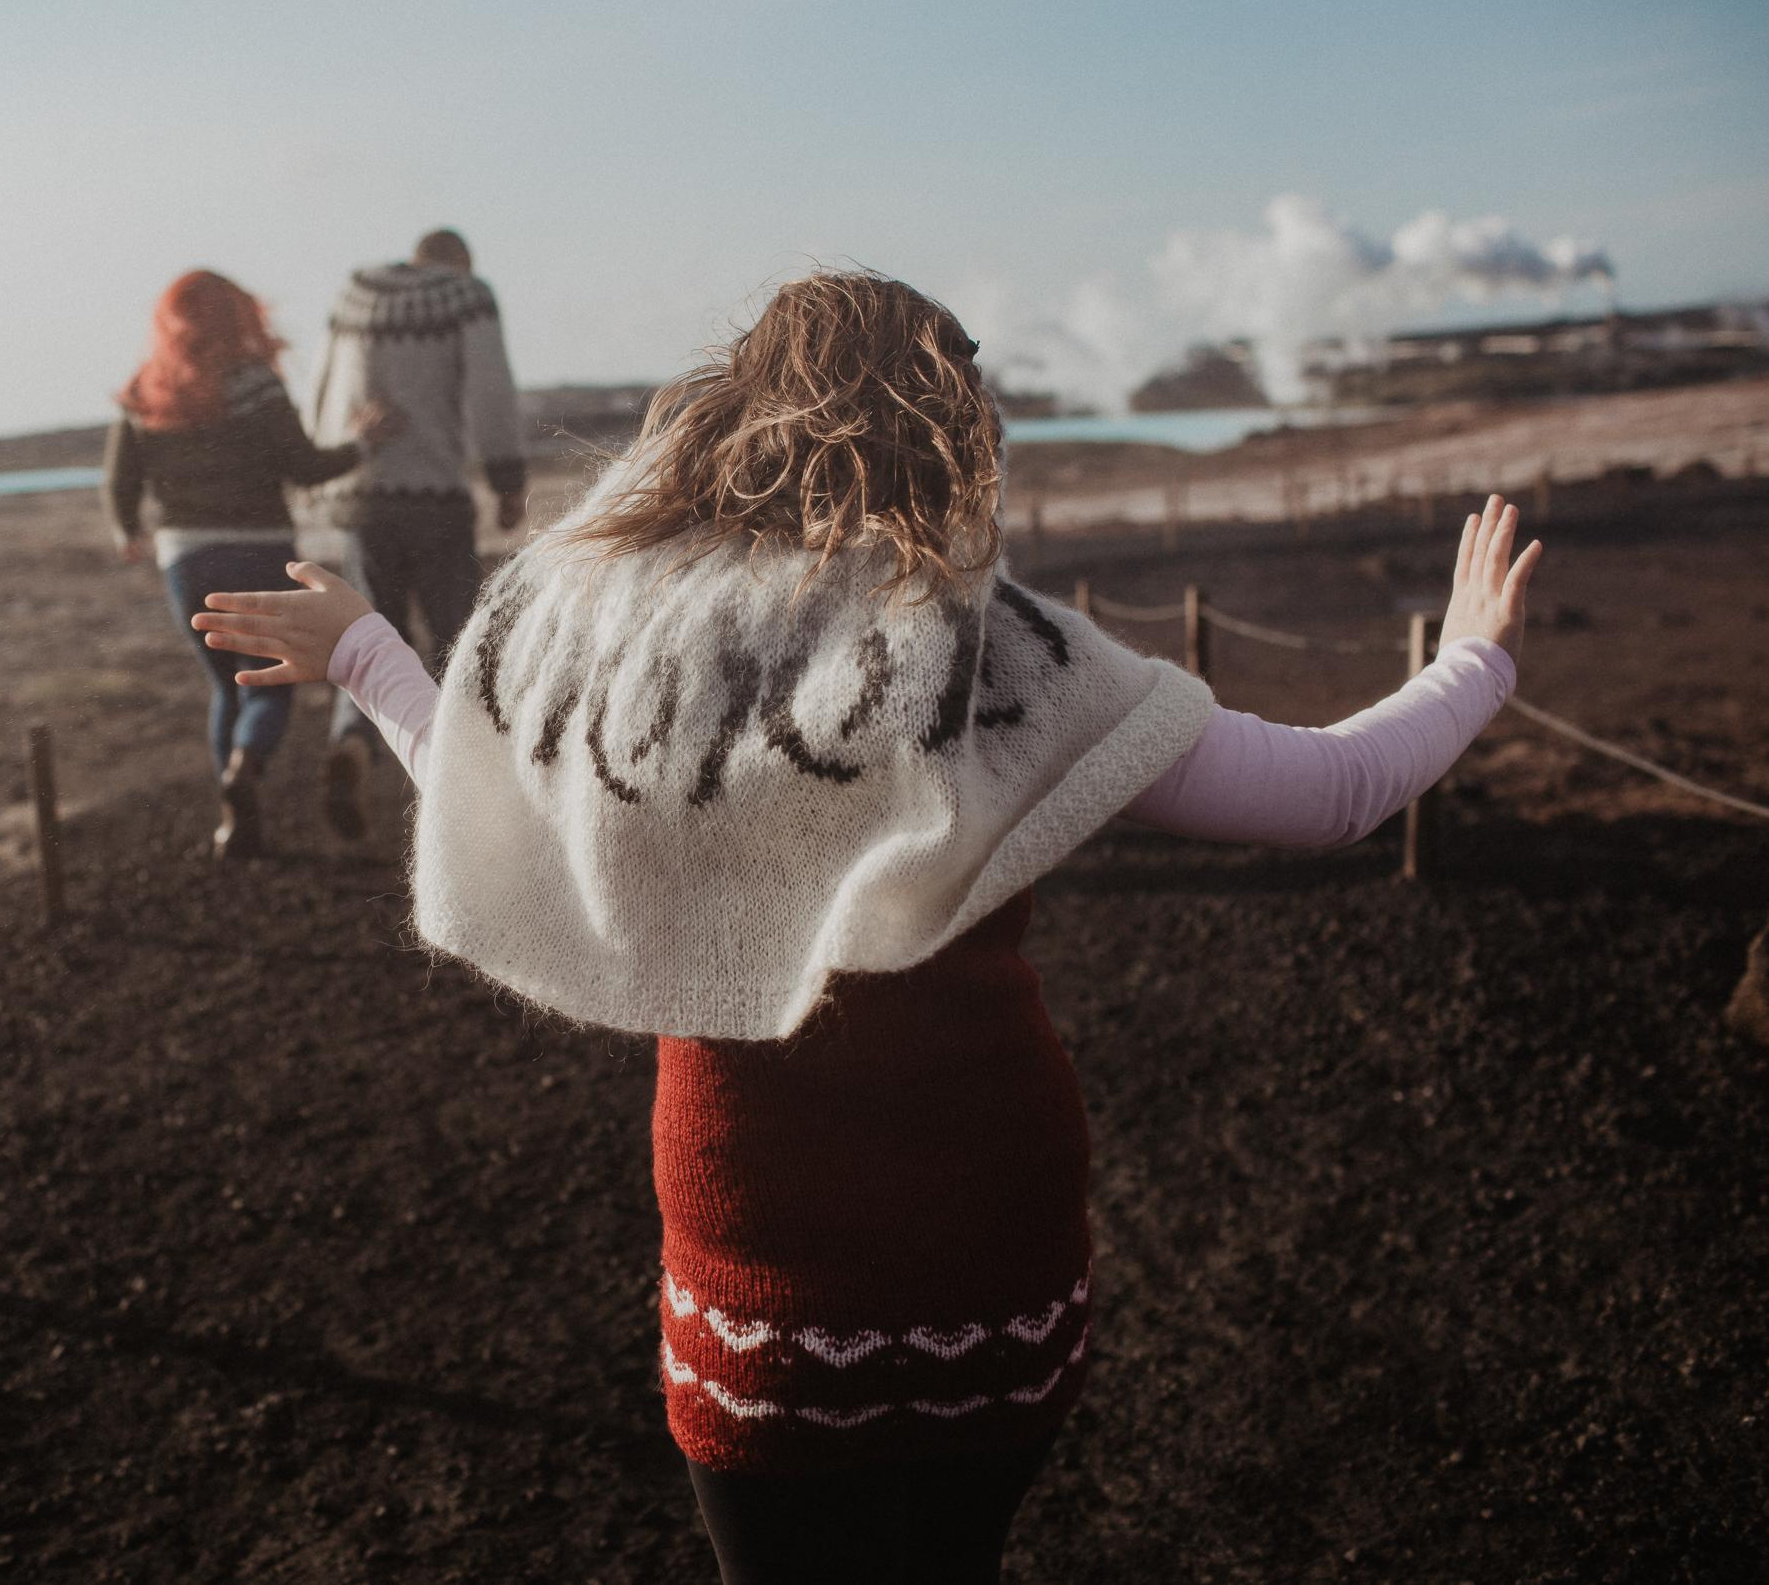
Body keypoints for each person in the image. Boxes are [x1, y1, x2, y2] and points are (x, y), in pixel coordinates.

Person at [189, 272, 1541, 1583]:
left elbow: (486, 788)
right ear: (951, 434)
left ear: (735, 416)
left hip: (757, 1264)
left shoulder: (628, 650)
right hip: (995, 1256)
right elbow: (1334, 791)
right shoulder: (1012, 653)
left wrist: (367, 652)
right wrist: (1474, 656)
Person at [102, 269, 392, 860]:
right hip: (259, 549)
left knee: (221, 687)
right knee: (265, 680)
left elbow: (119, 479)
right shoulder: (256, 385)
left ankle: (233, 820)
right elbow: (305, 465)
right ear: (240, 317)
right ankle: (245, 767)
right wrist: (362, 443)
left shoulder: (146, 389)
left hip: (185, 558)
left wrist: (127, 528)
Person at [300, 227, 527, 839]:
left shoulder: (357, 292)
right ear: (460, 261)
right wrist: (507, 480)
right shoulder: (465, 296)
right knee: (461, 646)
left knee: (367, 638)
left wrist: (325, 467)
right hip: (435, 498)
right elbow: (489, 391)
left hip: (361, 500)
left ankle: (351, 741)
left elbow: (321, 384)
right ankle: (474, 793)